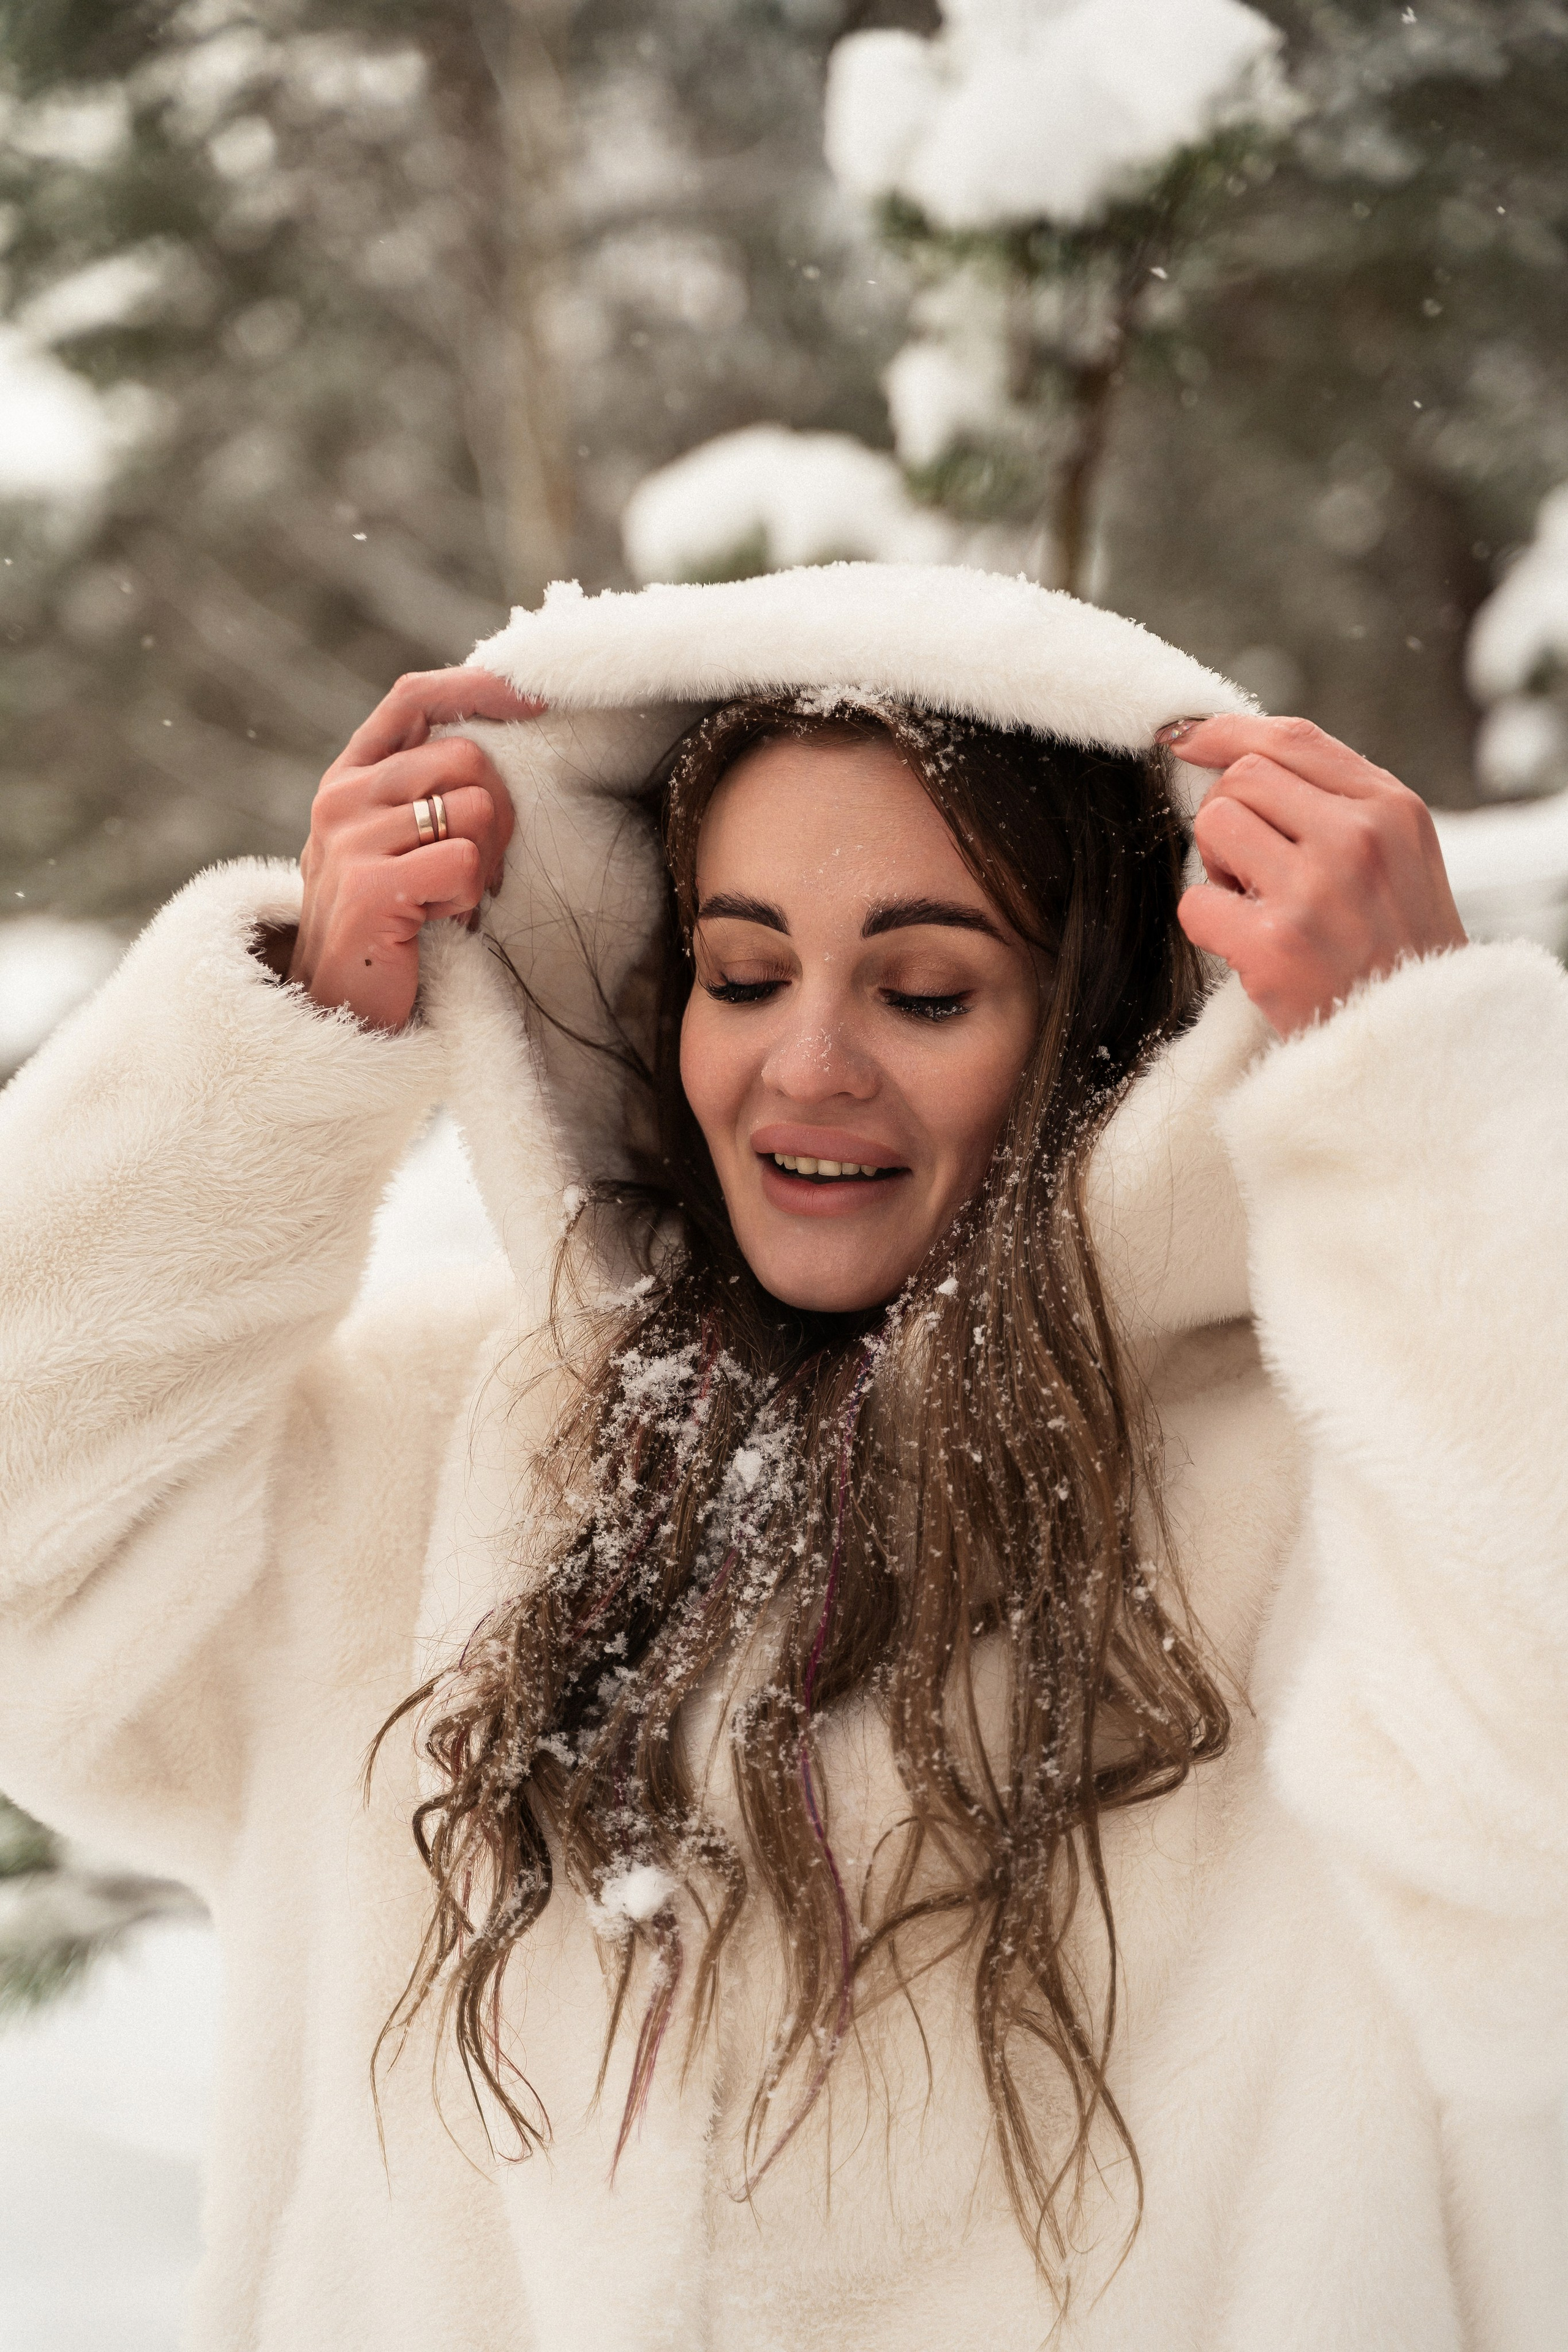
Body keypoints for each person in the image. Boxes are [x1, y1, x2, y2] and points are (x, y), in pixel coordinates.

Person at [0, 562, 1563, 2352]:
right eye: (745, 972)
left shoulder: (1345, 1488)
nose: (803, 1064)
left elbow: (1537, 1856)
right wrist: (282, 1048)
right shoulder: (438, 1451)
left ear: (1102, 1038)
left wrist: (1429, 1092)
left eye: (923, 991)